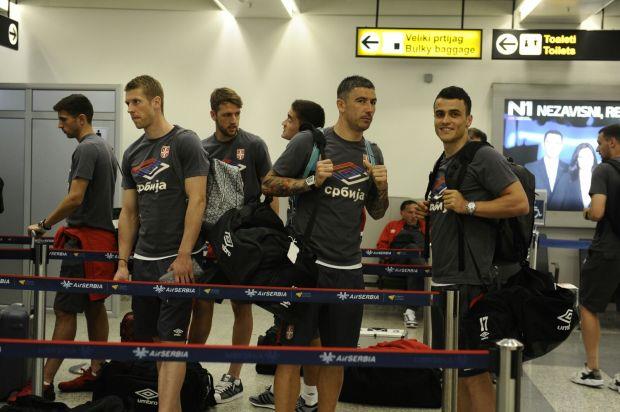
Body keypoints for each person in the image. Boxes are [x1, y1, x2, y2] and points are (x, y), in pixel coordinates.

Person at [262, 75, 389, 412]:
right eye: (361, 101)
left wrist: (382, 186)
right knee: (291, 356)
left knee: (337, 358)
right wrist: (309, 181)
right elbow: (268, 183)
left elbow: (378, 211)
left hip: (349, 270)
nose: (369, 108)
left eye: (373, 102)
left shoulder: (372, 152)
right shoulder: (311, 142)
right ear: (341, 104)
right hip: (307, 267)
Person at [415, 86, 529, 412]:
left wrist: (469, 206)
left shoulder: (483, 156)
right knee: (455, 371)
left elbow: (519, 202)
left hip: (470, 282)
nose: (446, 120)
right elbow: (454, 208)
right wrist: (432, 208)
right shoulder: (444, 161)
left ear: (468, 119)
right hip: (444, 279)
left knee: (474, 374)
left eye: (454, 114)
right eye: (440, 114)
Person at [11, 94, 117, 402]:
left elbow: (75, 198)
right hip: (101, 241)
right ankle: (96, 372)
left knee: (64, 310)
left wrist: (44, 224)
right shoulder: (105, 148)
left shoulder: (86, 149)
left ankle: (43, 382)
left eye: (64, 119)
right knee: (95, 307)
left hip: (84, 242)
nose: (60, 126)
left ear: (81, 119)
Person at [114, 75, 209, 412]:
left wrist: (185, 255)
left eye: (136, 102)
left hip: (177, 261)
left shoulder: (185, 142)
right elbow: (129, 212)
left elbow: (197, 200)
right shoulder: (133, 152)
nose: (130, 109)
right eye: (127, 103)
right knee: (156, 342)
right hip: (144, 260)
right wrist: (123, 263)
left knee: (173, 343)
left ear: (156, 101)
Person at [188, 87, 274, 404]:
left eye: (237, 114)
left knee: (242, 305)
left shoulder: (254, 145)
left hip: (244, 239)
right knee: (201, 304)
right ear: (213, 114)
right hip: (210, 239)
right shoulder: (202, 148)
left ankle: (234, 377)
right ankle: (190, 369)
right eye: (227, 115)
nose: (233, 120)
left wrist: (268, 236)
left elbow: (270, 192)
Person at [249, 99, 325, 412]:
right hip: (318, 255)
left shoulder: (305, 142)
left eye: (290, 118)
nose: (284, 122)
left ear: (303, 126)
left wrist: (307, 182)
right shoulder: (318, 149)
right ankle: (309, 397)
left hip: (304, 257)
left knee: (290, 334)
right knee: (313, 333)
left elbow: (267, 183)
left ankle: (295, 395)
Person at [571, 124, 620, 392]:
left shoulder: (603, 170)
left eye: (600, 142)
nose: (598, 148)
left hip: (607, 251)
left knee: (588, 306)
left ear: (612, 142)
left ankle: (592, 370)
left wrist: (587, 212)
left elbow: (598, 211)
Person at [376, 199, 426, 328]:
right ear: (402, 213)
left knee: (415, 267)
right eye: (410, 212)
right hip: (396, 262)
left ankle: (410, 310)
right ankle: (423, 272)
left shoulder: (426, 227)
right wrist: (386, 257)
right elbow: (381, 246)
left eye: (416, 212)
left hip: (416, 264)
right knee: (412, 249)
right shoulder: (392, 226)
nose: (414, 215)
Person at [525, 130, 569, 209]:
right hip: (537, 214)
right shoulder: (530, 168)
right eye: (549, 142)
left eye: (557, 143)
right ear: (543, 144)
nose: (552, 146)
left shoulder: (569, 170)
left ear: (561, 146)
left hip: (564, 215)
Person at [561, 143, 598, 211]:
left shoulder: (601, 180)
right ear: (576, 160)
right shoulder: (566, 179)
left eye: (588, 156)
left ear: (593, 158)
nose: (585, 160)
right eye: (581, 157)